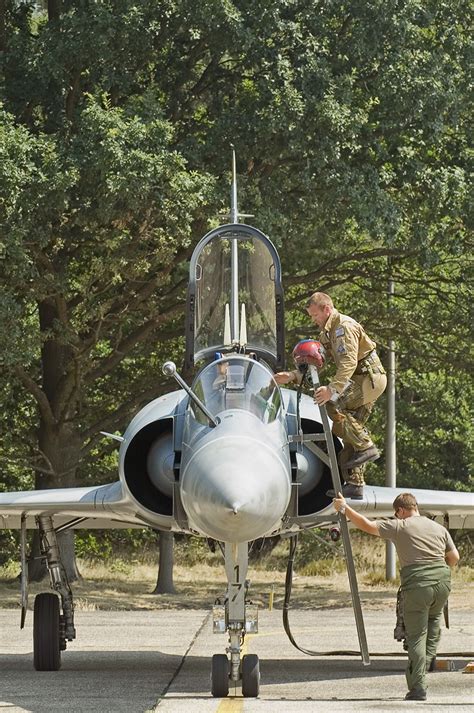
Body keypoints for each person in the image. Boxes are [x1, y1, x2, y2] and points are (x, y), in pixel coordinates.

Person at [333, 491, 460, 701]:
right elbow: (454, 558)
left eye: (396, 513)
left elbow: (367, 525)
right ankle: (427, 661)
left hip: (418, 585)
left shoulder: (400, 526)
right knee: (433, 623)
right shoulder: (439, 528)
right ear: (415, 507)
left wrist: (344, 508)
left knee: (416, 636)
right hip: (443, 583)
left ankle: (418, 687)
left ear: (401, 511)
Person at [275, 291, 387, 499]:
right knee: (348, 430)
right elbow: (316, 364)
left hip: (368, 378)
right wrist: (292, 375)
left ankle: (367, 446)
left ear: (326, 309)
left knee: (332, 404)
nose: (313, 319)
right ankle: (355, 484)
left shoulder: (343, 327)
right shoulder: (326, 333)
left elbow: (348, 363)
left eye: (315, 315)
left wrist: (332, 389)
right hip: (358, 380)